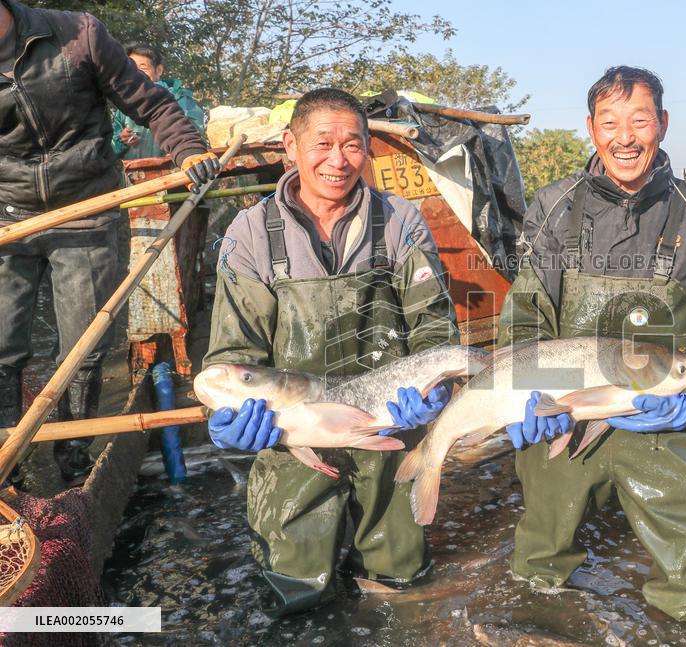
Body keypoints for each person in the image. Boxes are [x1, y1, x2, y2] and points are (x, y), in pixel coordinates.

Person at [497, 66, 686, 621]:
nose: (625, 137)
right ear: (591, 129)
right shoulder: (554, 203)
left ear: (663, 125)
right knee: (537, 567)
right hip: (568, 413)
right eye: (610, 122)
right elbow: (527, 313)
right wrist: (526, 397)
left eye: (640, 120)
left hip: (663, 419)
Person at [202, 87, 459, 616]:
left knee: (402, 587)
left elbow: (434, 331)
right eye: (322, 143)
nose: (338, 160)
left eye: (353, 145)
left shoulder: (402, 221)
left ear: (368, 149)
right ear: (289, 147)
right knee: (295, 596)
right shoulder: (249, 234)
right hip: (293, 436)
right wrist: (229, 421)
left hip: (388, 425)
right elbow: (232, 351)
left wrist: (438, 388)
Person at [0, 0, 219, 480]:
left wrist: (188, 150)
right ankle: (7, 467)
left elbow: (154, 104)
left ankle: (73, 457)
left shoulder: (78, 35)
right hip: (7, 217)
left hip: (87, 210)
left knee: (82, 346)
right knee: (2, 345)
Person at [111, 44, 207, 161]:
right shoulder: (124, 104)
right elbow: (111, 148)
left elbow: (194, 132)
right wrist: (122, 140)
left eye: (143, 68)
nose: (137, 74)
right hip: (135, 175)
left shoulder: (178, 97)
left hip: (170, 173)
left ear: (159, 70)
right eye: (132, 68)